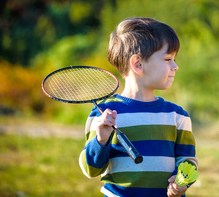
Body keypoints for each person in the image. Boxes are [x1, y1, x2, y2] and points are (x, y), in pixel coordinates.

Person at [79, 17, 198, 197]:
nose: (175, 66)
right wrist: (101, 140)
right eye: (167, 59)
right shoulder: (104, 114)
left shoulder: (177, 115)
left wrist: (181, 181)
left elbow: (188, 160)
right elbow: (91, 169)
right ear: (138, 64)